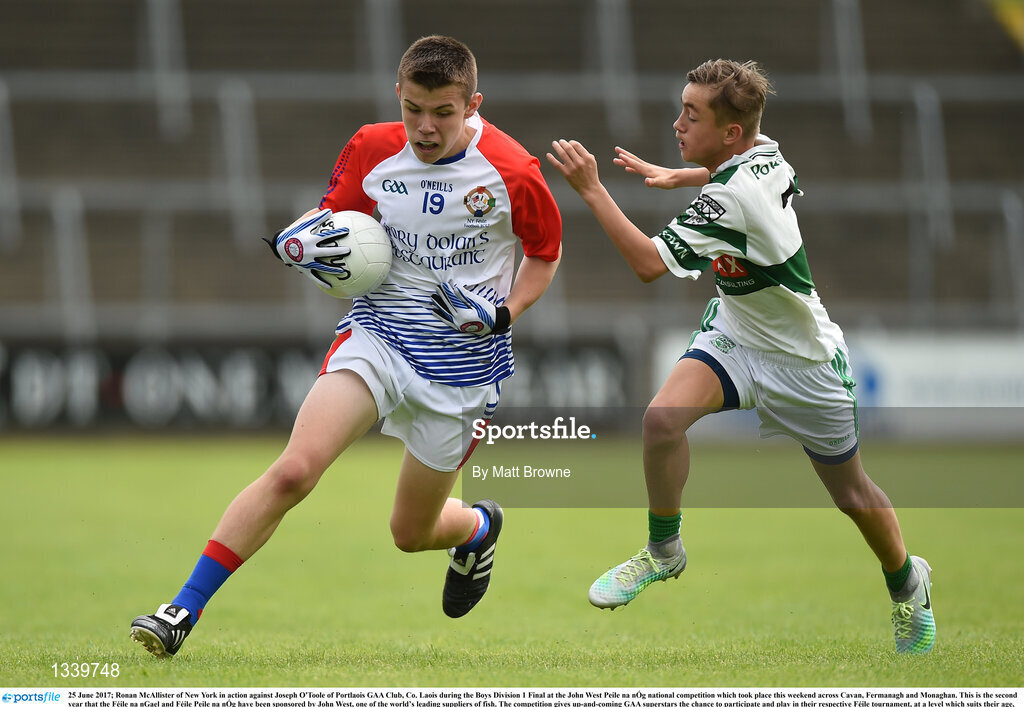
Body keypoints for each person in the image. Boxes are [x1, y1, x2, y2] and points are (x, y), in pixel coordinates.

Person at [130, 35, 562, 657]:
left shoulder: (513, 170)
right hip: (378, 337)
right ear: (399, 95)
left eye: (443, 112)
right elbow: (338, 230)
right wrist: (305, 247)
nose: (426, 127)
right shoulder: (371, 147)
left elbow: (544, 255)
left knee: (411, 534)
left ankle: (478, 527)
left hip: (463, 370)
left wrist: (504, 311)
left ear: (473, 105)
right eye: (414, 108)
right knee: (295, 470)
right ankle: (180, 611)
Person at [546, 58, 934, 654]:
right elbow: (738, 176)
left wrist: (592, 190)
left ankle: (908, 582)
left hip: (804, 362)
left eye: (691, 115)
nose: (677, 123)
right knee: (661, 419)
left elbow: (651, 265)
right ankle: (662, 551)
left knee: (853, 496)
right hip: (737, 332)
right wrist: (684, 176)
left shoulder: (733, 198)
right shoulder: (764, 149)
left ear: (731, 131)